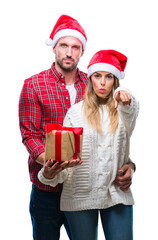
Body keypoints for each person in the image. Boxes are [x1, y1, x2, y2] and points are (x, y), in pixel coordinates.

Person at [19, 14, 136, 239]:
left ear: (82, 51)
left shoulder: (95, 83)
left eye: (75, 47)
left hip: (88, 190)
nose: (69, 52)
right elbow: (30, 135)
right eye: (64, 45)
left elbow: (114, 136)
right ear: (54, 47)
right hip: (48, 189)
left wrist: (129, 165)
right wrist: (53, 163)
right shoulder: (33, 85)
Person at [38, 49, 139, 240]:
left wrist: (125, 94)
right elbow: (67, 162)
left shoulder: (123, 111)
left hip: (116, 193)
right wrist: (49, 174)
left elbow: (131, 107)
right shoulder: (75, 112)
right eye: (97, 76)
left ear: (115, 80)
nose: (102, 82)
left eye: (109, 77)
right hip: (79, 195)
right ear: (90, 78)